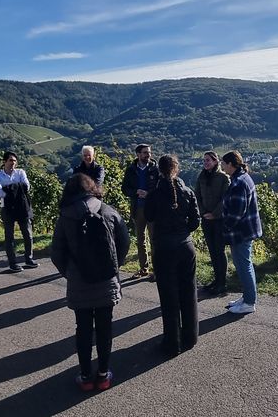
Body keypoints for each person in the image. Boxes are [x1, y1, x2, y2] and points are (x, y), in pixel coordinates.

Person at [50, 173, 130, 391]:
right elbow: (125, 243)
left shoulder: (66, 215)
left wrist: (70, 273)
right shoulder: (109, 211)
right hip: (106, 280)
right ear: (92, 188)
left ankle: (85, 376)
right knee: (105, 328)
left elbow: (56, 252)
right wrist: (113, 267)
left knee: (83, 329)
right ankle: (103, 375)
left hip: (79, 281)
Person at [145, 155, 201, 356]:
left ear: (159, 170)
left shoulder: (154, 194)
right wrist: (182, 230)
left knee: (169, 296)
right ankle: (191, 336)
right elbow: (195, 222)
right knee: (188, 292)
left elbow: (149, 217)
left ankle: (172, 343)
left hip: (163, 247)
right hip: (186, 246)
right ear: (176, 169)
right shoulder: (188, 192)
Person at [221, 151, 262, 315]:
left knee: (244, 265)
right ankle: (246, 297)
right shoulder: (243, 177)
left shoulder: (238, 182)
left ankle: (250, 302)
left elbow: (237, 212)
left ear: (230, 164)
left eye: (223, 163)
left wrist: (226, 227)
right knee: (242, 264)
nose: (221, 165)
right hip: (245, 229)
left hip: (241, 232)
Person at [0, 151, 38, 272]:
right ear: (4, 162)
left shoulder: (21, 172)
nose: (13, 163)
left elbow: (27, 187)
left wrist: (9, 188)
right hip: (7, 209)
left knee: (28, 235)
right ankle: (13, 263)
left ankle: (29, 259)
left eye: (14, 160)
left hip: (22, 208)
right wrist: (17, 188)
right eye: (10, 160)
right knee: (9, 237)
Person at [194, 151, 231, 295]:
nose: (206, 163)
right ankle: (216, 280)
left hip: (219, 220)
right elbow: (196, 195)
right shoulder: (202, 176)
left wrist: (215, 214)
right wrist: (203, 212)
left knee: (219, 251)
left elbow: (225, 198)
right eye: (204, 160)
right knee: (212, 250)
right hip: (206, 219)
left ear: (216, 161)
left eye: (208, 160)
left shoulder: (223, 178)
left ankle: (222, 282)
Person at [120, 144, 159, 279]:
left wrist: (148, 193)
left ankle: (157, 270)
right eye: (144, 153)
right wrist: (135, 192)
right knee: (140, 239)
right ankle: (144, 268)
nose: (148, 155)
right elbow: (124, 188)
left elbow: (160, 188)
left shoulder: (155, 169)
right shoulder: (131, 170)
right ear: (138, 154)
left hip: (152, 208)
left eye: (149, 152)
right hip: (138, 208)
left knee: (154, 239)